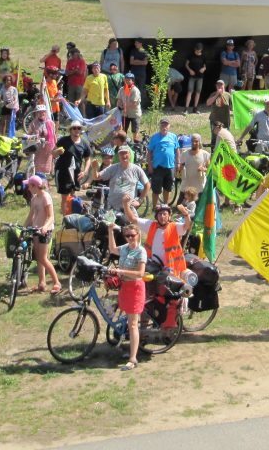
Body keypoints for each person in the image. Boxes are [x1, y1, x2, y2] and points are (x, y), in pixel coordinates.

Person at [106, 222, 146, 371]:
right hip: (124, 287)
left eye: (132, 235)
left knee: (133, 324)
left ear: (138, 235)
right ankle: (128, 349)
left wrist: (121, 271)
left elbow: (141, 273)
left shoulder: (141, 251)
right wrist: (110, 231)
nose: (129, 238)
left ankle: (133, 358)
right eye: (127, 236)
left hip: (135, 287)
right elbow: (112, 249)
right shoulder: (124, 249)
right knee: (128, 321)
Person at [122, 198, 189, 276]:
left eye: (164, 214)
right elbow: (132, 219)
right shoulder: (151, 225)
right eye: (160, 214)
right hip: (152, 265)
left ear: (169, 216)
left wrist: (186, 215)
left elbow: (186, 226)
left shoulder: (175, 227)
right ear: (156, 216)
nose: (162, 216)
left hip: (170, 268)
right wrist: (125, 204)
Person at [23, 175, 61, 294]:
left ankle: (56, 282)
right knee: (39, 258)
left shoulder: (46, 197)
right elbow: (31, 216)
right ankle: (42, 283)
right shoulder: (34, 198)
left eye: (29, 186)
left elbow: (50, 216)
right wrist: (23, 228)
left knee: (43, 258)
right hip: (36, 230)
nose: (28, 188)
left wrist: (44, 227)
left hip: (45, 231)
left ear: (34, 186)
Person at [97, 144, 151, 213]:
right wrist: (94, 168)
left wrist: (139, 201)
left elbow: (147, 185)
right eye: (121, 154)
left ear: (130, 155)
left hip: (129, 208)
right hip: (112, 207)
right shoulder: (113, 168)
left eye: (126, 153)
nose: (124, 156)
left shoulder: (136, 169)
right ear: (118, 156)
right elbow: (97, 177)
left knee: (134, 224)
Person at [53, 121, 93, 211]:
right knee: (65, 197)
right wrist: (57, 152)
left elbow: (88, 159)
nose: (76, 130)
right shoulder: (63, 140)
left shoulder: (84, 143)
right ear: (70, 130)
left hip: (76, 173)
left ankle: (71, 215)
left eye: (78, 128)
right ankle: (65, 218)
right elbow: (53, 153)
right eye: (74, 128)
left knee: (72, 195)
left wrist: (85, 171)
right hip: (63, 171)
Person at [147, 118, 180, 209]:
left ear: (169, 126)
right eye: (162, 125)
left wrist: (178, 163)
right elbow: (149, 152)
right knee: (156, 190)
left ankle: (165, 206)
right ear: (160, 126)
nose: (164, 127)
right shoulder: (154, 137)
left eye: (166, 125)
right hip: (157, 167)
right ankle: (154, 207)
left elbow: (177, 150)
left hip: (170, 167)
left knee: (167, 188)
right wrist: (149, 165)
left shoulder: (173, 137)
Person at [116, 72, 142, 138]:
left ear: (132, 81)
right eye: (126, 79)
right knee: (123, 130)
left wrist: (125, 107)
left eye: (129, 79)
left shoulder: (135, 90)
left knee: (135, 131)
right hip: (125, 114)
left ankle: (136, 144)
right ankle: (123, 144)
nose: (127, 81)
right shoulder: (121, 89)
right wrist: (119, 106)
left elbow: (134, 103)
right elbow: (119, 99)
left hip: (134, 114)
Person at [184, 43, 207, 112]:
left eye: (199, 51)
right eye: (197, 50)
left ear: (201, 50)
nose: (198, 52)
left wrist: (204, 69)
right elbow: (186, 64)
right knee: (190, 91)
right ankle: (186, 108)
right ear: (195, 49)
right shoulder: (190, 55)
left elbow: (205, 66)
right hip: (192, 76)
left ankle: (195, 108)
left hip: (200, 77)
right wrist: (190, 70)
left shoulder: (203, 56)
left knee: (198, 92)